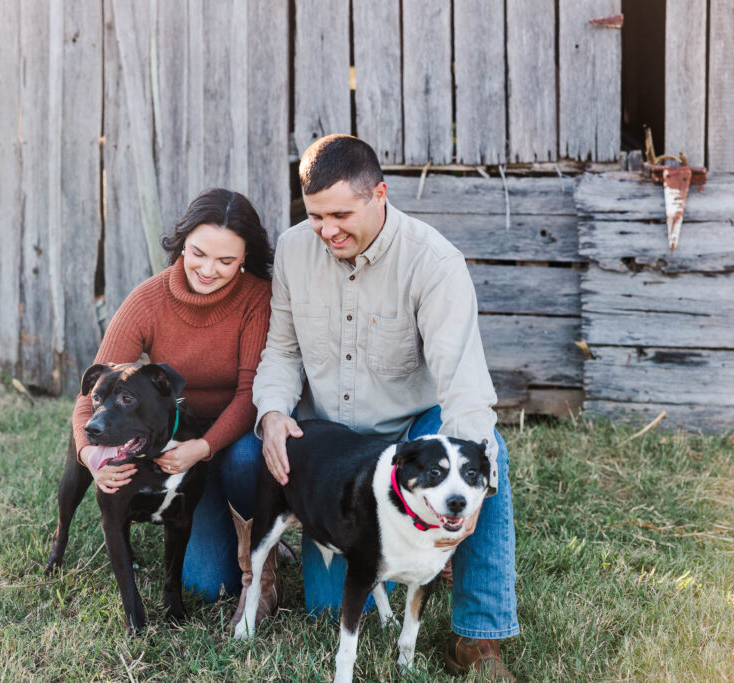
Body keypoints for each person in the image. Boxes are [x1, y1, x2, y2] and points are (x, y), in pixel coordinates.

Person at [252, 135, 518, 681]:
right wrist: (274, 412)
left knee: (492, 457)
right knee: (330, 607)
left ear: (380, 193)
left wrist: (468, 499)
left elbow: (464, 387)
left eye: (342, 214)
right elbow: (280, 351)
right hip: (332, 445)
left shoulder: (433, 261)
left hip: (411, 433)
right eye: (317, 215)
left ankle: (479, 637)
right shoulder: (294, 250)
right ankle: (282, 565)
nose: (327, 231)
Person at [71, 187, 281, 627]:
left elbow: (250, 393)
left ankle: (262, 545)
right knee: (207, 585)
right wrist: (91, 456)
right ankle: (217, 519)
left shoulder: (255, 298)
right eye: (198, 254)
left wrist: (204, 447)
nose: (208, 270)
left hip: (230, 439)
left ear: (245, 257)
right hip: (174, 444)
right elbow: (91, 397)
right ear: (181, 243)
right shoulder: (147, 301)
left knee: (243, 458)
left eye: (226, 261)